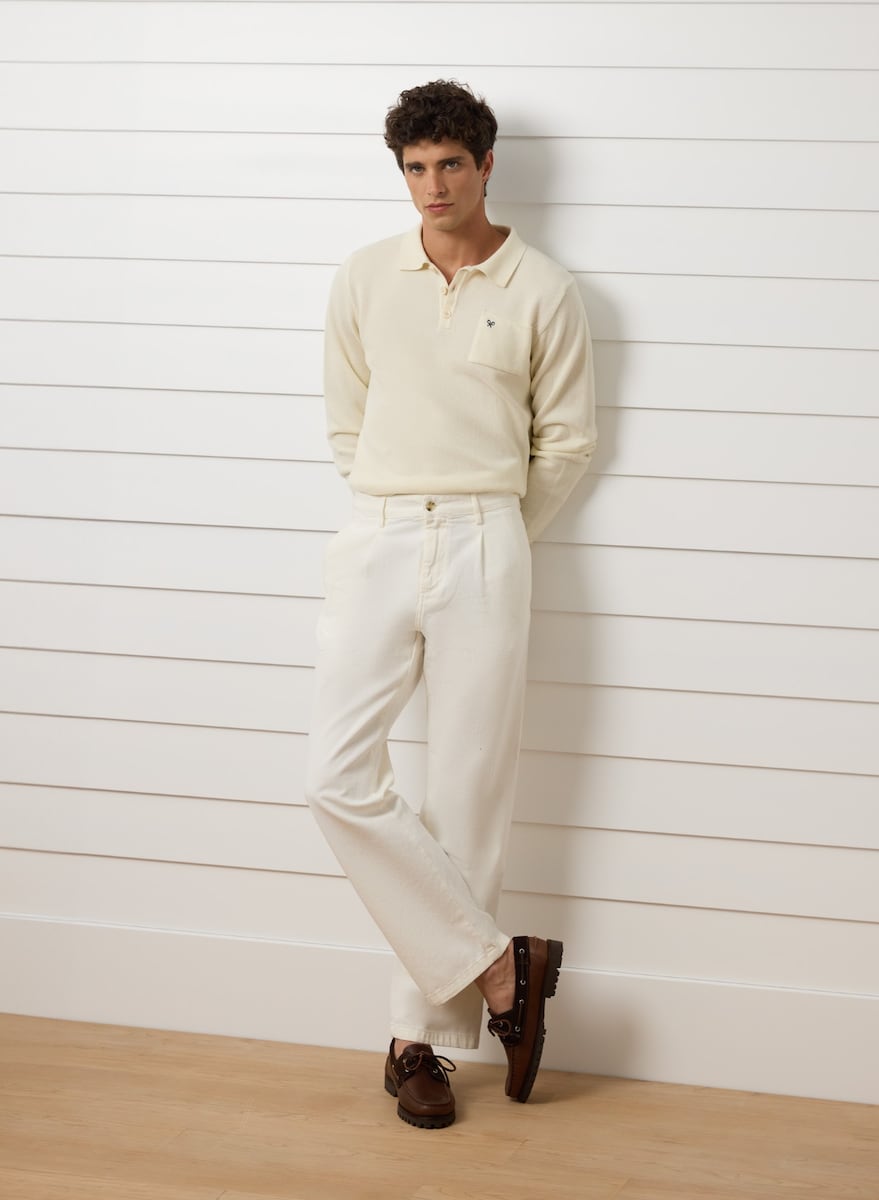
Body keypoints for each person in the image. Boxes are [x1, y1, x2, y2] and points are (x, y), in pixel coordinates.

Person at [304, 79, 596, 1129]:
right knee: (336, 777)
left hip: (487, 536)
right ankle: (500, 967)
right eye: (415, 168)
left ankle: (416, 1046)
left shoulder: (543, 288)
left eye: (451, 165)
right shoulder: (363, 277)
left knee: (467, 792)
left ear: (485, 165)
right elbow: (347, 421)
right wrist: (397, 505)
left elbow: (567, 443)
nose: (433, 186)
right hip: (379, 531)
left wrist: (494, 530)